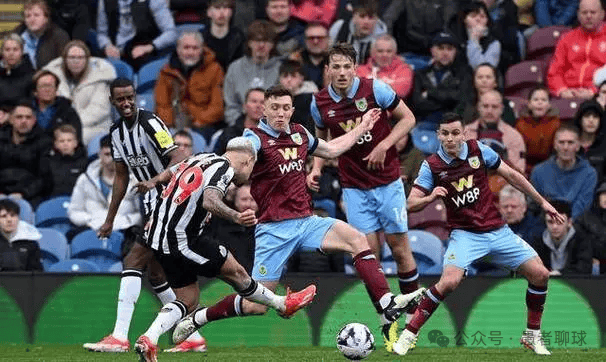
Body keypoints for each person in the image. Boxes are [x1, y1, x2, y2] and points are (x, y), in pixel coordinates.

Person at [171, 85, 426, 352]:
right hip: (273, 230)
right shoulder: (254, 138)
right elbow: (236, 156)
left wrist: (362, 127)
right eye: (274, 108)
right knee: (256, 306)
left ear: (292, 110)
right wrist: (231, 168)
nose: (280, 113)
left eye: (285, 108)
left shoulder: (300, 133)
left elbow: (331, 149)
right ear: (264, 110)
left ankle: (385, 305)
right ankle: (200, 317)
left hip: (307, 222)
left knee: (357, 239)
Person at [392, 112, 565, 356]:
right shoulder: (431, 165)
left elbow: (513, 176)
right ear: (438, 135)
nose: (450, 138)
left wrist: (542, 202)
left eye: (455, 133)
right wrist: (431, 197)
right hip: (465, 235)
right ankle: (409, 334)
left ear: (464, 133)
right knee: (449, 282)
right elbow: (410, 204)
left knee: (540, 274)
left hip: (497, 230)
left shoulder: (479, 151)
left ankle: (532, 335)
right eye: (445, 133)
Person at [131, 138, 318, 361]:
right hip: (182, 238)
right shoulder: (224, 168)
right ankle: (282, 304)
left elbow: (172, 171)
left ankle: (149, 339)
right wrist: (236, 216)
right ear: (249, 160)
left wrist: (154, 182)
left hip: (158, 237)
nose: (249, 177)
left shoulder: (201, 157)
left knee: (188, 299)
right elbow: (210, 200)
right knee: (236, 273)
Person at [308, 43, 420, 351]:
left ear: (355, 68)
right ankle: (388, 321)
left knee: (399, 249)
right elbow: (322, 140)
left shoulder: (376, 90)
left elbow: (408, 119)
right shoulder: (318, 103)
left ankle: (414, 322)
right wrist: (316, 167)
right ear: (327, 69)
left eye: (347, 67)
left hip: (387, 183)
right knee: (368, 254)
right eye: (336, 67)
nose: (342, 73)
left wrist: (385, 145)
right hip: (354, 187)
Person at [82, 78, 206, 353]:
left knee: (133, 258)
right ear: (113, 102)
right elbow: (121, 176)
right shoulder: (115, 133)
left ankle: (119, 337)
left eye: (129, 97)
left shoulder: (151, 123)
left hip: (169, 198)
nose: (126, 103)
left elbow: (177, 158)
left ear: (135, 96)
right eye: (120, 99)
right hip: (150, 204)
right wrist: (110, 219)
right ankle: (192, 337)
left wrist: (156, 183)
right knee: (156, 272)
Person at [67, 135, 142, 239]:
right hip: (91, 230)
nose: (112, 159)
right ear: (99, 155)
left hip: (125, 232)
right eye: (107, 154)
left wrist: (124, 221)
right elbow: (74, 211)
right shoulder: (85, 179)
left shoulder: (135, 180)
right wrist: (91, 220)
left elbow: (142, 214)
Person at [44, 40, 116, 145]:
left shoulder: (101, 77)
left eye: (80, 57)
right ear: (65, 59)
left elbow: (99, 110)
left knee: (73, 139)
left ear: (87, 59)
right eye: (72, 57)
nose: (76, 61)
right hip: (60, 126)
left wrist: (72, 125)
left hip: (95, 127)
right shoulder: (53, 77)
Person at [154, 31, 224, 131]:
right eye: (186, 48)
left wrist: (196, 123)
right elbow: (162, 105)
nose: (190, 52)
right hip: (171, 125)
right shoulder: (166, 71)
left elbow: (217, 108)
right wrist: (171, 126)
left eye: (195, 48)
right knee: (159, 140)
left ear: (202, 49)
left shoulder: (215, 69)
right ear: (178, 50)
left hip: (203, 125)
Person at [530, 124, 598, 219]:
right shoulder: (538, 172)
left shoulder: (589, 173)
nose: (565, 147)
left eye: (570, 143)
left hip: (576, 226)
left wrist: (563, 222)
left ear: (578, 146)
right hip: (546, 224)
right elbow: (535, 206)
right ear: (555, 145)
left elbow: (583, 206)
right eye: (561, 142)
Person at [223, 20, 282, 125]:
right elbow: (230, 106)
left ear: (273, 44)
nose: (261, 45)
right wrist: (241, 127)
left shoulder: (281, 68)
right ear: (249, 43)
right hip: (241, 127)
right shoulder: (235, 68)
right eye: (256, 40)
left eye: (266, 41)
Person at [547, 0, 606, 99]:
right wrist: (562, 90)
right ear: (578, 15)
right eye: (584, 12)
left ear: (602, 14)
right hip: (568, 95)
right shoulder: (567, 38)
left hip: (599, 96)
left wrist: (594, 92)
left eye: (593, 12)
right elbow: (555, 72)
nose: (588, 16)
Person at [411, 31, 472, 127]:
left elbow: (461, 100)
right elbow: (417, 104)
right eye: (440, 48)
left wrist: (430, 93)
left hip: (452, 126)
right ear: (432, 50)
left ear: (455, 51)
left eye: (449, 49)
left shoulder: (464, 74)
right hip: (423, 125)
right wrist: (447, 100)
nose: (445, 53)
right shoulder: (420, 74)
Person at [96, 0, 177, 70]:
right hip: (116, 53)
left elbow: (171, 32)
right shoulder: (105, 1)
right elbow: (102, 33)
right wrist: (107, 46)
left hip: (145, 51)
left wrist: (150, 47)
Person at [0, 101, 52, 206]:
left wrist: (24, 193)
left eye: (28, 118)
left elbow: (45, 178)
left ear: (34, 121)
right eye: (19, 117)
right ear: (11, 120)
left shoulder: (44, 142)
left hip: (30, 196)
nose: (24, 121)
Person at [465, 89, 527, 173]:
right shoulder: (465, 133)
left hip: (502, 182)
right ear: (478, 107)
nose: (489, 111)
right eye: (485, 106)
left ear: (501, 109)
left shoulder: (514, 136)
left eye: (494, 107)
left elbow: (518, 171)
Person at [530, 199, 593, 275]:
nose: (554, 226)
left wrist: (559, 273)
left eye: (560, 222)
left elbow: (584, 269)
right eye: (550, 222)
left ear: (569, 222)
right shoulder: (539, 241)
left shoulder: (582, 240)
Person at [206, 183, 257, 273]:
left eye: (252, 200)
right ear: (235, 200)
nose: (248, 204)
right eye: (244, 199)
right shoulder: (219, 222)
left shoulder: (265, 225)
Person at [514, 85, 560, 174]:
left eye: (543, 100)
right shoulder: (520, 124)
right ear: (529, 104)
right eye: (536, 100)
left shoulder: (556, 124)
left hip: (550, 168)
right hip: (525, 168)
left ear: (549, 105)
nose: (540, 102)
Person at [13, 0, 69, 70]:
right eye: (28, 16)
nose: (32, 19)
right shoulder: (17, 34)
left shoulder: (59, 36)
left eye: (36, 15)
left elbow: (63, 65)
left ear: (46, 18)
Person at [356, 34, 414, 100]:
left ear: (395, 52)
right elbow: (356, 92)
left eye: (389, 51)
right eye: (380, 51)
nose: (384, 55)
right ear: (372, 52)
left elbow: (401, 92)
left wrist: (370, 86)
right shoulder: (360, 70)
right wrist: (387, 86)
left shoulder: (404, 70)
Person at [328, 0, 387, 64]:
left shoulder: (381, 38)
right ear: (354, 17)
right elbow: (328, 54)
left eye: (371, 18)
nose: (366, 22)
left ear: (376, 19)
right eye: (362, 16)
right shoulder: (339, 27)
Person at [32, 70, 83, 141]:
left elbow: (77, 141)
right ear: (35, 91)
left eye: (50, 86)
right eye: (43, 86)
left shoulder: (68, 112)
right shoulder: (26, 111)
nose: (47, 90)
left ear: (56, 89)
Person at [213, 87, 265, 154]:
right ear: (244, 106)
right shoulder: (228, 134)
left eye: (262, 102)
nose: (258, 106)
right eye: (254, 101)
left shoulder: (274, 136)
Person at [44, 124, 88, 197]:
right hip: (55, 201)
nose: (65, 144)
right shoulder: (49, 162)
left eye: (69, 140)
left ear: (76, 143)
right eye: (62, 141)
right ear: (56, 144)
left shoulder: (85, 163)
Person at [201, 0, 245, 73]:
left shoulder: (239, 37)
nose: (222, 12)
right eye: (217, 8)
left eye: (225, 8)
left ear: (231, 12)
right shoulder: (201, 37)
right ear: (209, 12)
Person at [0, 198, 43, 271]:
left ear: (18, 218)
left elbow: (37, 274)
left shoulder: (31, 243)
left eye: (13, 215)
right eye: (4, 216)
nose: (9, 220)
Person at [278, 59, 318, 132]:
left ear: (301, 78)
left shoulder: (311, 99)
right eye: (285, 76)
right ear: (279, 79)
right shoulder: (275, 98)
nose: (289, 80)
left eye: (293, 76)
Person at [575, 181, 606, 275]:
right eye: (604, 194)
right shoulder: (585, 218)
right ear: (598, 197)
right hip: (591, 263)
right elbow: (580, 243)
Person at [289, 21, 330, 89]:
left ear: (328, 39)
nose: (315, 42)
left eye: (320, 38)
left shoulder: (336, 60)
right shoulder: (295, 59)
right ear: (305, 40)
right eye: (311, 38)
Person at [574, 100, 606, 182]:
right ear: (580, 119)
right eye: (587, 116)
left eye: (595, 117)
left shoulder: (604, 145)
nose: (591, 120)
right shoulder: (569, 142)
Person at [0, 34, 34, 110]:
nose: (11, 53)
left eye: (15, 49)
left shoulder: (31, 75)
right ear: (2, 52)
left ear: (22, 52)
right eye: (7, 49)